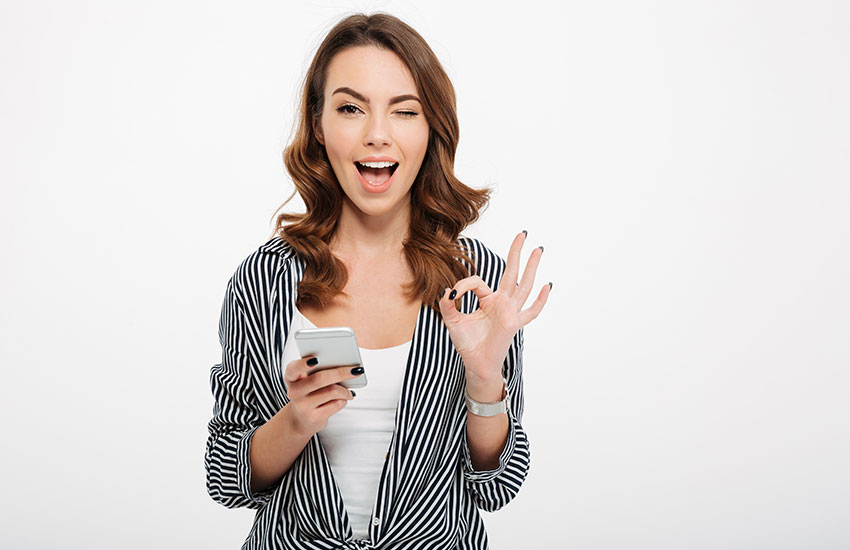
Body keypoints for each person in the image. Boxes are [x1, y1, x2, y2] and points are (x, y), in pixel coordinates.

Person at [204, 12, 551, 550]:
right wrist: (296, 420)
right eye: (350, 109)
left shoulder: (477, 282)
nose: (377, 135)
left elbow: (496, 485)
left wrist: (485, 385)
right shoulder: (263, 280)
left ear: (431, 127)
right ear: (319, 126)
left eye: (404, 111)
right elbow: (227, 478)